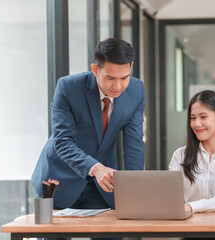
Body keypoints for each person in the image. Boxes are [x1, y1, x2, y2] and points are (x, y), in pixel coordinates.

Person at [32, 38, 145, 211]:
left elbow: (134, 143)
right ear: (95, 69)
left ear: (131, 66)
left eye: (124, 77)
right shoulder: (68, 88)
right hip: (60, 180)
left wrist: (134, 189)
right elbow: (63, 142)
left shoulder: (136, 90)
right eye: (110, 78)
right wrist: (95, 168)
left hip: (104, 187)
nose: (118, 86)